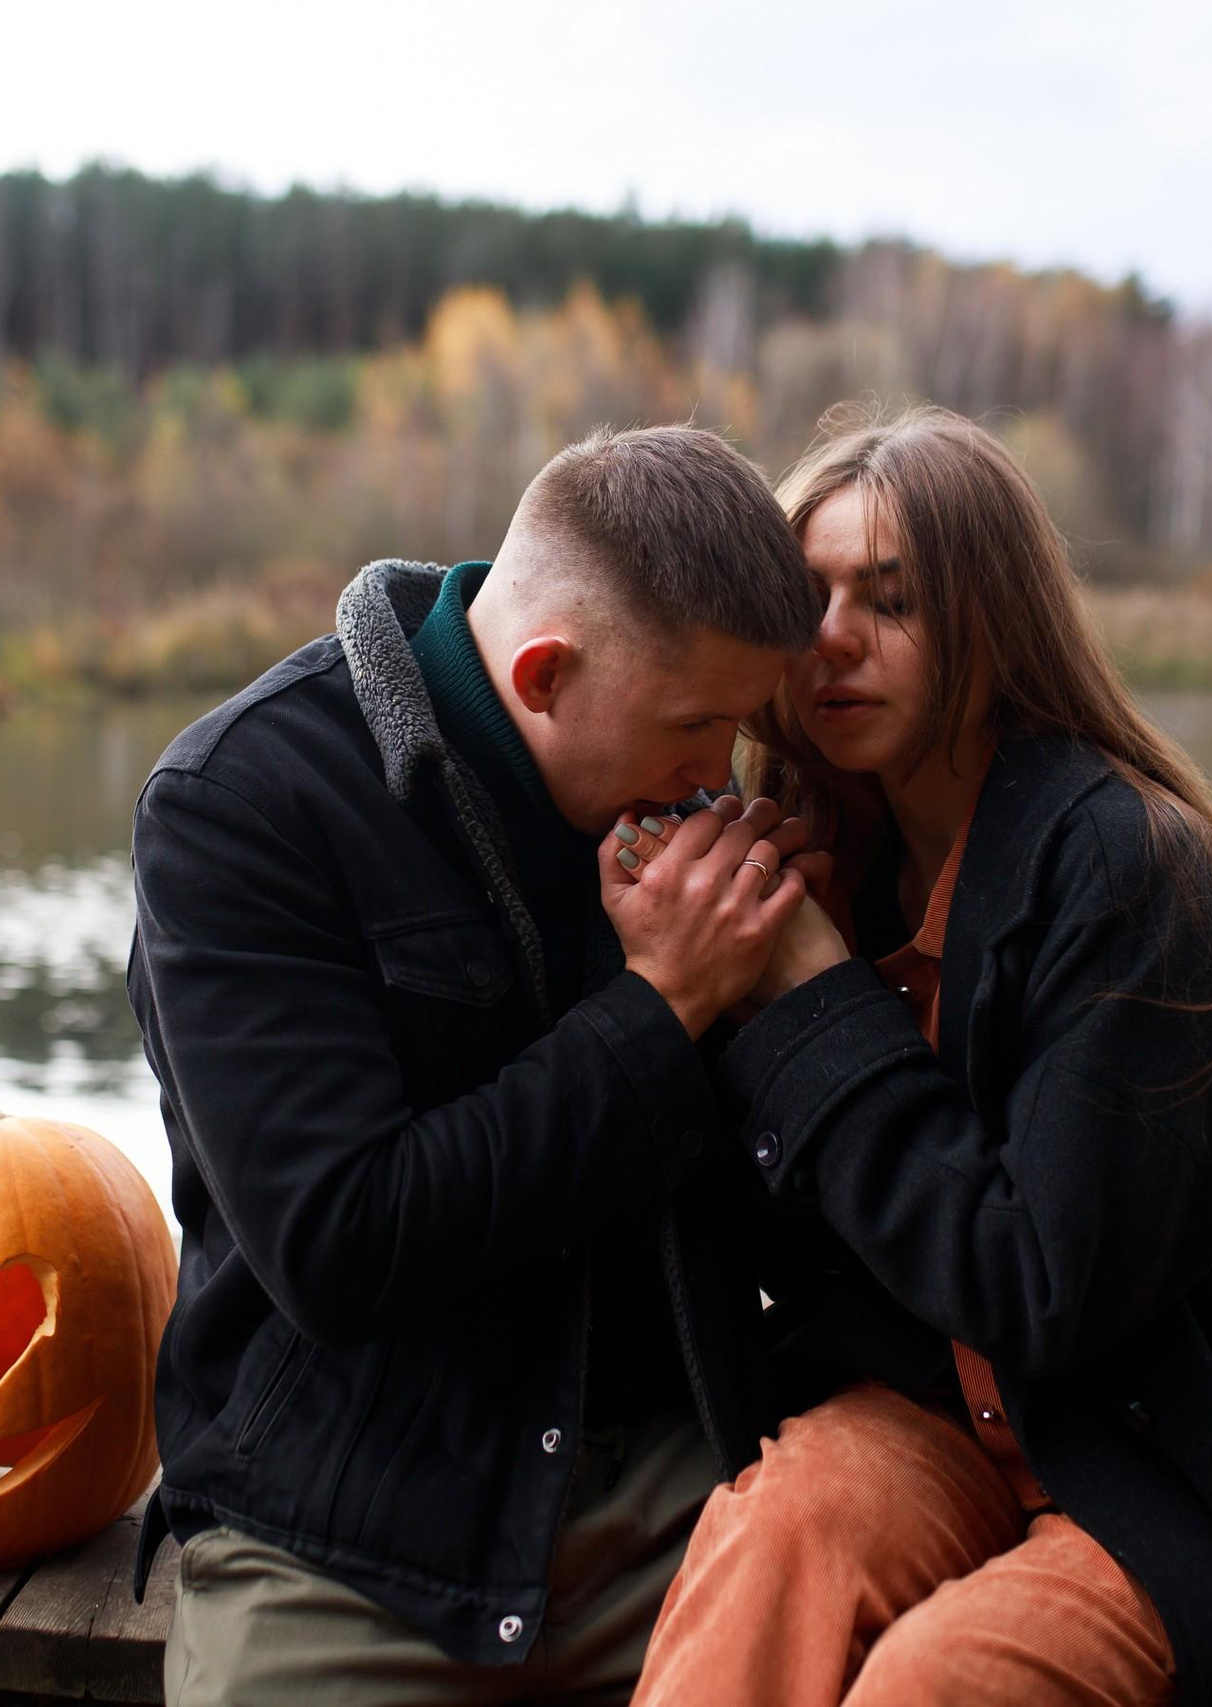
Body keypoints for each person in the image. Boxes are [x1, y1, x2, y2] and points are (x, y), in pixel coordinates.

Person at [630, 405, 1212, 1705]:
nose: (833, 636)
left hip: (1174, 1449)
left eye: (893, 600)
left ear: (995, 626)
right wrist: (714, 998)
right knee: (781, 1531)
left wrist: (814, 997)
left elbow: (1036, 1283)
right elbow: (781, 1247)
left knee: (933, 1683)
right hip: (942, 1415)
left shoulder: (1127, 867)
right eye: (808, 596)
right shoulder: (835, 865)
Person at [124, 424, 832, 1704]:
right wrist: (663, 1004)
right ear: (546, 675)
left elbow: (797, 1219)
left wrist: (795, 1001)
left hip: (679, 1478)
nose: (716, 774)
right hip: (341, 1523)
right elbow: (344, 1244)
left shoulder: (673, 819)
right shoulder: (240, 804)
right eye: (697, 726)